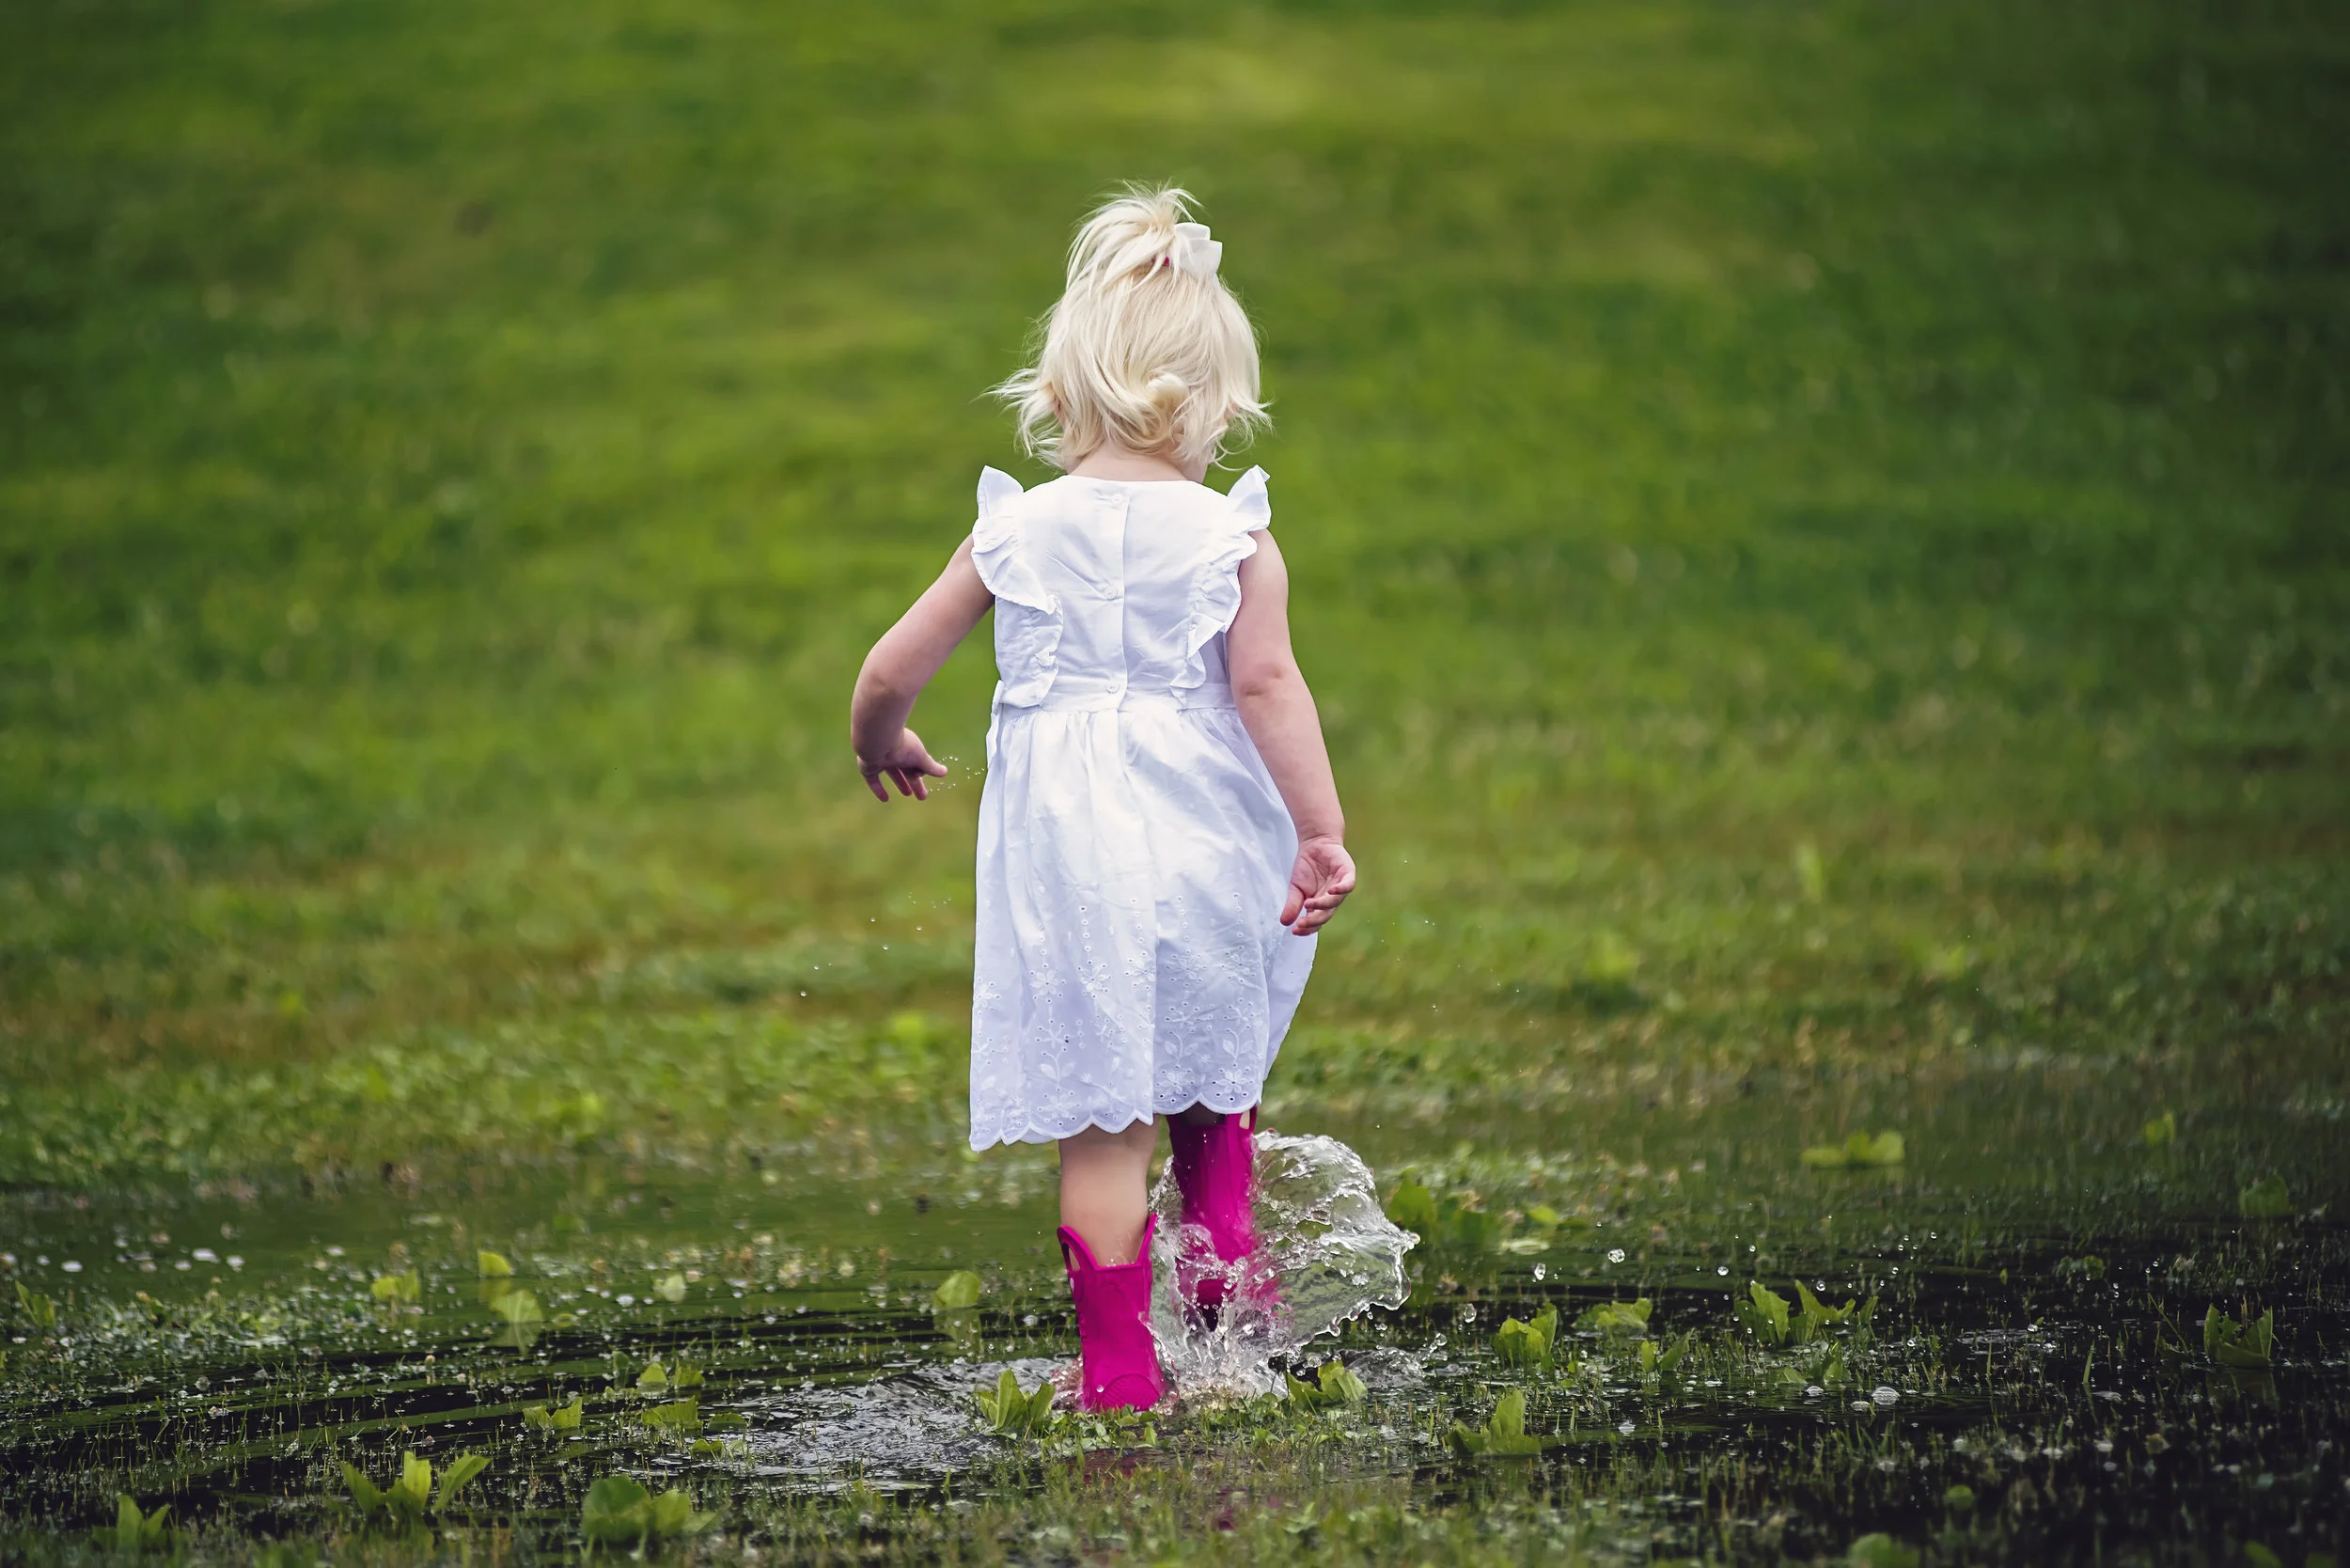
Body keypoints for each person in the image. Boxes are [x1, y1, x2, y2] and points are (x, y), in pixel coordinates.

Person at [848, 187, 1355, 1411]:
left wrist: (885, 737)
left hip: (1071, 865)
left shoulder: (1016, 533)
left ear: (1061, 392)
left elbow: (886, 668)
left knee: (1103, 1127)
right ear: (1218, 402)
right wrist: (1323, 832)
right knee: (1206, 1045)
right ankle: (1227, 1254)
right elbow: (1269, 683)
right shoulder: (1235, 540)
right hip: (1209, 841)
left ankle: (1119, 1377)